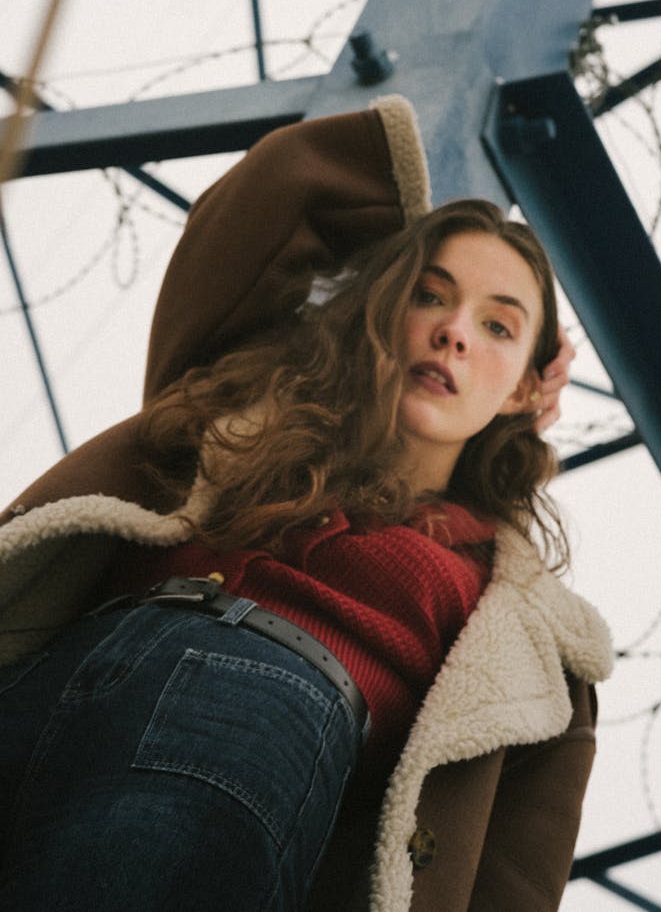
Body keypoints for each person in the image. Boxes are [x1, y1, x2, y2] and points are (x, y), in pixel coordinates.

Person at [0, 95, 611, 912]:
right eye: (430, 295)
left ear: (527, 389)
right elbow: (260, 202)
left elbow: (511, 886)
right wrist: (398, 228)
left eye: (500, 327)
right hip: (49, 677)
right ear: (385, 308)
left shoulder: (531, 633)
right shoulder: (250, 405)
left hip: (260, 715)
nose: (456, 331)